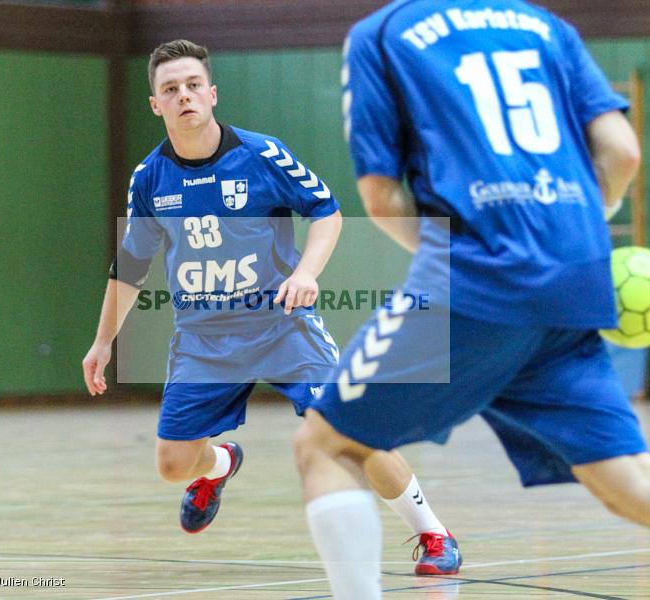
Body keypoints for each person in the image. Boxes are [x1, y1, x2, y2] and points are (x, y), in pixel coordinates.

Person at [294, 2, 650, 597]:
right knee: (630, 479)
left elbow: (379, 196)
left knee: (327, 444)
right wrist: (566, 235)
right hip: (577, 273)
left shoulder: (381, 33)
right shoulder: (546, 25)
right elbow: (623, 152)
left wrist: (450, 262)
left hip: (476, 275)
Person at [82, 39, 462, 575]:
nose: (184, 95)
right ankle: (218, 465)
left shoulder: (261, 155)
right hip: (204, 340)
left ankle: (435, 535)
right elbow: (131, 268)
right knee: (172, 465)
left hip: (283, 328)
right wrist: (103, 343)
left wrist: (306, 273)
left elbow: (326, 212)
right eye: (170, 89)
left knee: (352, 434)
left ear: (212, 94)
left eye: (193, 85)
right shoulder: (149, 180)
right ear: (156, 104)